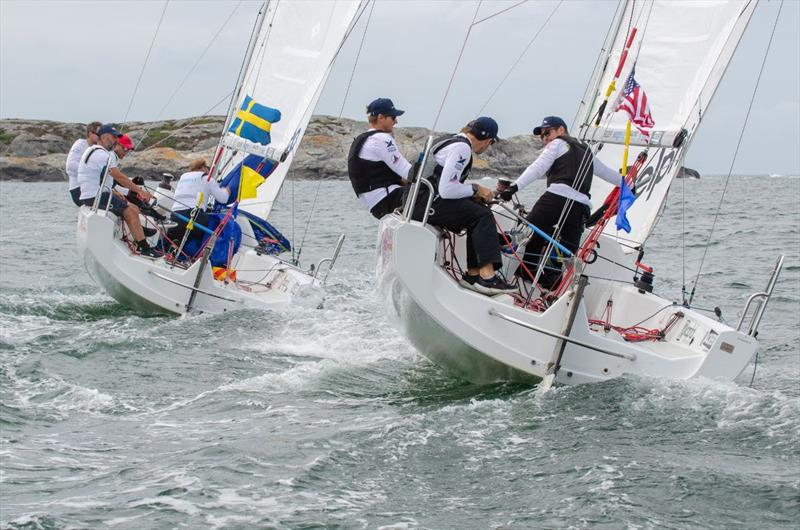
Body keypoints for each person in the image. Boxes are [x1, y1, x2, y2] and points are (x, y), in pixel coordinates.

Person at [497, 116, 621, 288]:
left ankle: (524, 271)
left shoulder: (557, 144)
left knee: (527, 233)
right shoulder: (587, 151)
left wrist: (514, 188)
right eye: (541, 136)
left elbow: (537, 168)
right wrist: (628, 184)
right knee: (568, 254)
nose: (545, 138)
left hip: (555, 199)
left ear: (561, 130)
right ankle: (567, 289)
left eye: (547, 132)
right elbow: (608, 174)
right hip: (579, 208)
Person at [411, 116, 515, 295]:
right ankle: (487, 278)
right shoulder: (462, 149)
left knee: (477, 212)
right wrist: (476, 189)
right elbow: (447, 190)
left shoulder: (448, 140)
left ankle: (473, 275)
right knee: (483, 216)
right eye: (490, 143)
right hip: (427, 205)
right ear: (488, 140)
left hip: (418, 202)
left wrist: (472, 195)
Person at [77, 124, 159, 258]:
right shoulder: (102, 154)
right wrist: (140, 191)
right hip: (95, 197)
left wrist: (114, 192)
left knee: (132, 206)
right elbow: (118, 176)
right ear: (103, 137)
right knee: (130, 210)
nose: (115, 140)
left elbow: (99, 178)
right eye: (113, 137)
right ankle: (144, 248)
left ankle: (138, 235)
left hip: (94, 194)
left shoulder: (93, 151)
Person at [347, 98, 413, 219]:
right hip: (387, 200)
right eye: (393, 117)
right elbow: (408, 172)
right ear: (381, 117)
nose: (396, 121)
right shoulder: (381, 139)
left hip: (375, 205)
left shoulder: (363, 139)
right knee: (443, 197)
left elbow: (385, 174)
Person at [170, 158, 231, 249]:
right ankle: (195, 255)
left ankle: (173, 250)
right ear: (203, 167)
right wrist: (228, 190)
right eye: (207, 168)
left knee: (178, 236)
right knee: (210, 227)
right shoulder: (207, 178)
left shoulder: (183, 177)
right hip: (194, 216)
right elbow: (223, 199)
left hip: (175, 215)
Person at [65, 121, 101, 205]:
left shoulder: (99, 148)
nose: (100, 137)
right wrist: (92, 171)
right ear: (89, 133)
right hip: (78, 189)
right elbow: (70, 166)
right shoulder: (80, 144)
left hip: (93, 188)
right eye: (98, 134)